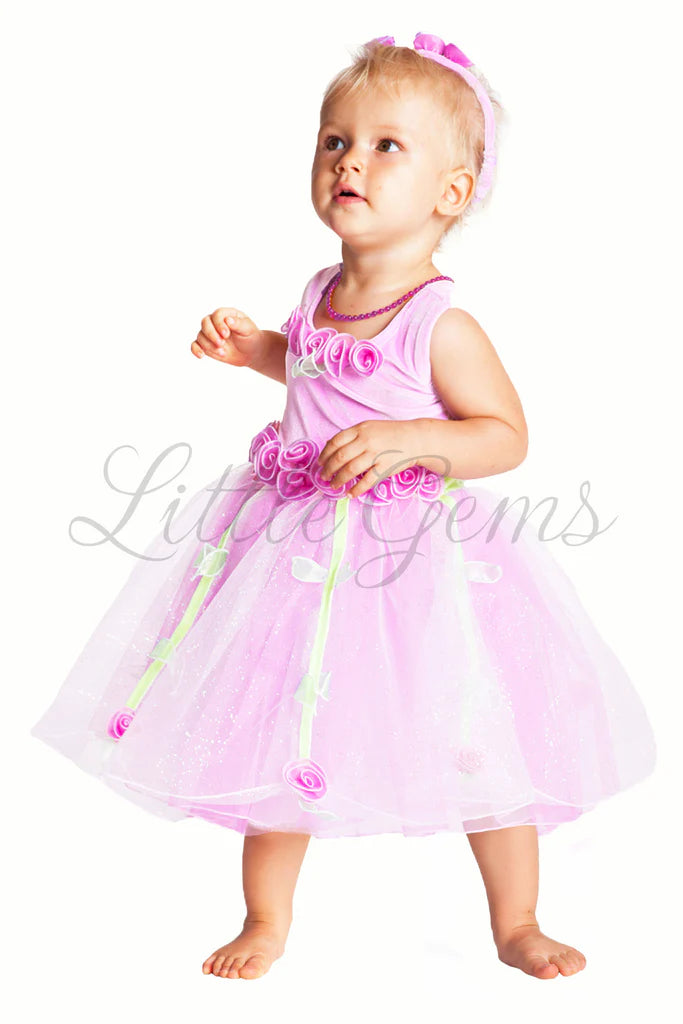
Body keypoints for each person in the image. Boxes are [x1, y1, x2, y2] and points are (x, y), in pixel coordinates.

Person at [30, 32, 656, 983]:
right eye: (334, 141)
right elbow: (314, 368)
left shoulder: (440, 321)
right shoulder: (321, 291)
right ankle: (264, 918)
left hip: (411, 565)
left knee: (476, 733)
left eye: (384, 146)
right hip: (292, 554)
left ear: (451, 192)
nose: (348, 161)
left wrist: (413, 438)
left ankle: (517, 919)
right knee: (281, 723)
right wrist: (256, 350)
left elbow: (502, 436)